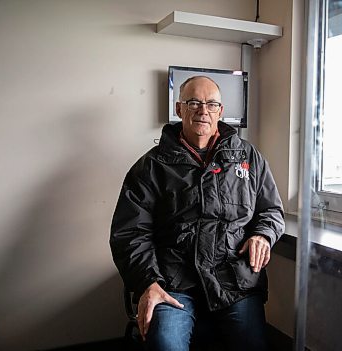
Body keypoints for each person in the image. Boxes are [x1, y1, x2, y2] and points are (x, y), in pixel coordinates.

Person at [110, 76, 284, 351]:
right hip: (173, 282)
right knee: (164, 344)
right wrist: (148, 282)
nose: (204, 110)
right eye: (194, 102)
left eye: (212, 104)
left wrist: (263, 235)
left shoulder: (249, 157)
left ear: (221, 111)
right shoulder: (151, 166)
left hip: (234, 281)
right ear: (179, 109)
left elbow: (271, 210)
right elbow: (130, 233)